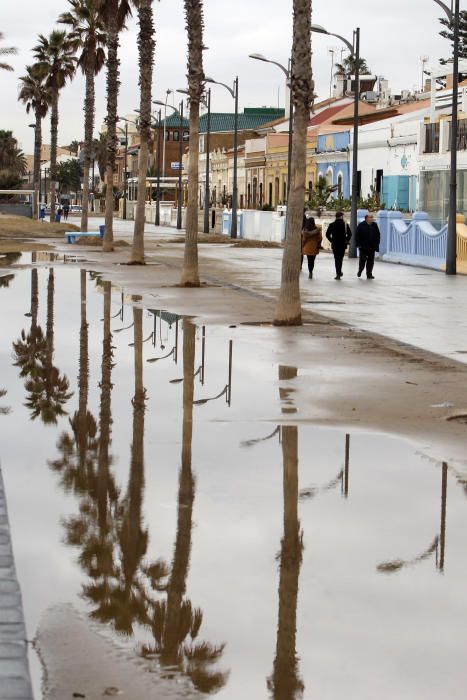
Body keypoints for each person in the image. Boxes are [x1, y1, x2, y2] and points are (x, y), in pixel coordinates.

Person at [326, 211, 352, 280]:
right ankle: (339, 272)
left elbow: (327, 234)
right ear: (341, 216)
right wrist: (346, 240)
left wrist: (332, 240)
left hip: (335, 244)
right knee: (340, 259)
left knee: (336, 259)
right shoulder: (345, 225)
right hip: (342, 245)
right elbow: (350, 234)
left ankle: (338, 273)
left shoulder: (332, 225)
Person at [356, 212, 381, 279]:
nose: (372, 218)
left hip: (372, 247)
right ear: (366, 218)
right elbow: (357, 235)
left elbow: (378, 235)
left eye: (372, 217)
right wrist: (358, 244)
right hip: (363, 247)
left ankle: (369, 274)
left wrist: (377, 244)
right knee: (363, 260)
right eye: (371, 217)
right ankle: (360, 270)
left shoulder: (374, 225)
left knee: (370, 261)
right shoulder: (361, 225)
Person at [301, 211, 322, 279]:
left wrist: (302, 245)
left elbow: (304, 239)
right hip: (314, 247)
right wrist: (318, 244)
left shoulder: (305, 230)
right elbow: (320, 238)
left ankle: (310, 271)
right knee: (312, 260)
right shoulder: (317, 229)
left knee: (309, 259)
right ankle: (311, 271)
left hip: (307, 247)